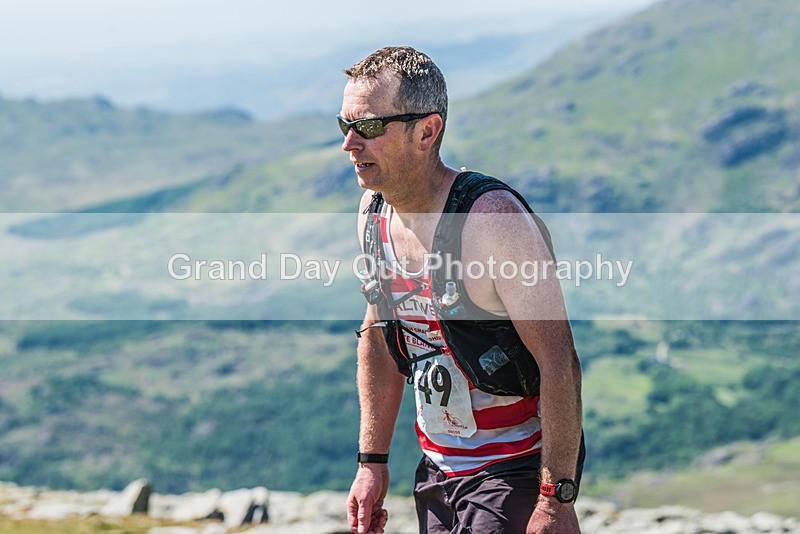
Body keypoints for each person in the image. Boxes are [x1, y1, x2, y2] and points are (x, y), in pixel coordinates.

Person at [340, 46, 584, 534]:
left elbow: (559, 361)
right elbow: (380, 338)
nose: (349, 143)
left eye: (367, 126)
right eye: (343, 125)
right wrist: (372, 461)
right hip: (437, 471)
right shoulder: (373, 213)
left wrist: (555, 499)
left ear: (426, 132)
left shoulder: (492, 220)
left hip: (515, 469)